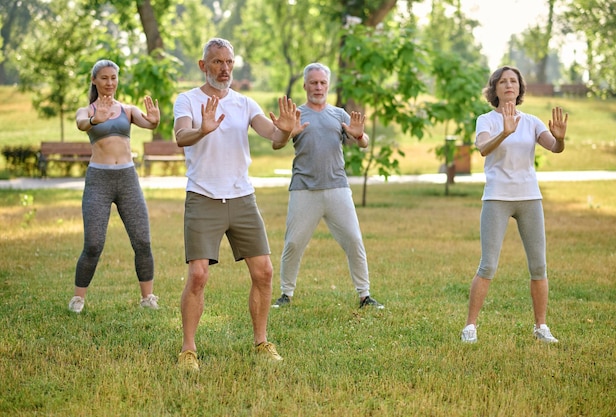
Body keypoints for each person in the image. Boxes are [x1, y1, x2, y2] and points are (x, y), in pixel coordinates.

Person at [173, 38, 297, 370]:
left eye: (228, 62)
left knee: (265, 272)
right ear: (203, 65)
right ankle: (188, 350)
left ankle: (261, 342)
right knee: (198, 275)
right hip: (203, 196)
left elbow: (273, 138)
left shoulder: (244, 104)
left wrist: (285, 131)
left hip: (241, 197)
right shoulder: (187, 100)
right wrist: (203, 129)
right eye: (216, 62)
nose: (224, 68)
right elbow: (180, 136)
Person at [460, 66, 567, 344]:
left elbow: (554, 147)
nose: (509, 85)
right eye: (503, 81)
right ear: (494, 89)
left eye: (514, 81)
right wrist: (505, 132)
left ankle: (541, 327)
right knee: (488, 265)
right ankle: (470, 326)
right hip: (497, 197)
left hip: (529, 197)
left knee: (539, 266)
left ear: (519, 88)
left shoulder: (531, 121)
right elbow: (483, 148)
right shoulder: (487, 120)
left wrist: (561, 138)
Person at [271, 63, 384, 310]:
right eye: (313, 82)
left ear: (328, 85)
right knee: (293, 244)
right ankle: (285, 294)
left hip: (337, 189)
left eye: (322, 83)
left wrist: (360, 135)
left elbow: (362, 141)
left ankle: (365, 295)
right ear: (305, 85)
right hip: (304, 189)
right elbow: (276, 143)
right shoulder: (297, 114)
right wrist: (287, 131)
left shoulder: (339, 114)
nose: (318, 87)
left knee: (354, 240)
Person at [69, 59, 160, 313]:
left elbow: (148, 122)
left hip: (127, 179)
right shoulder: (86, 110)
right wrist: (96, 119)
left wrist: (153, 121)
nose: (110, 83)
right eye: (105, 78)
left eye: (114, 78)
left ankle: (148, 297)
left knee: (142, 240)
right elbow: (81, 124)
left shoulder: (127, 110)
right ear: (94, 81)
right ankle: (78, 298)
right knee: (94, 244)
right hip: (99, 180)